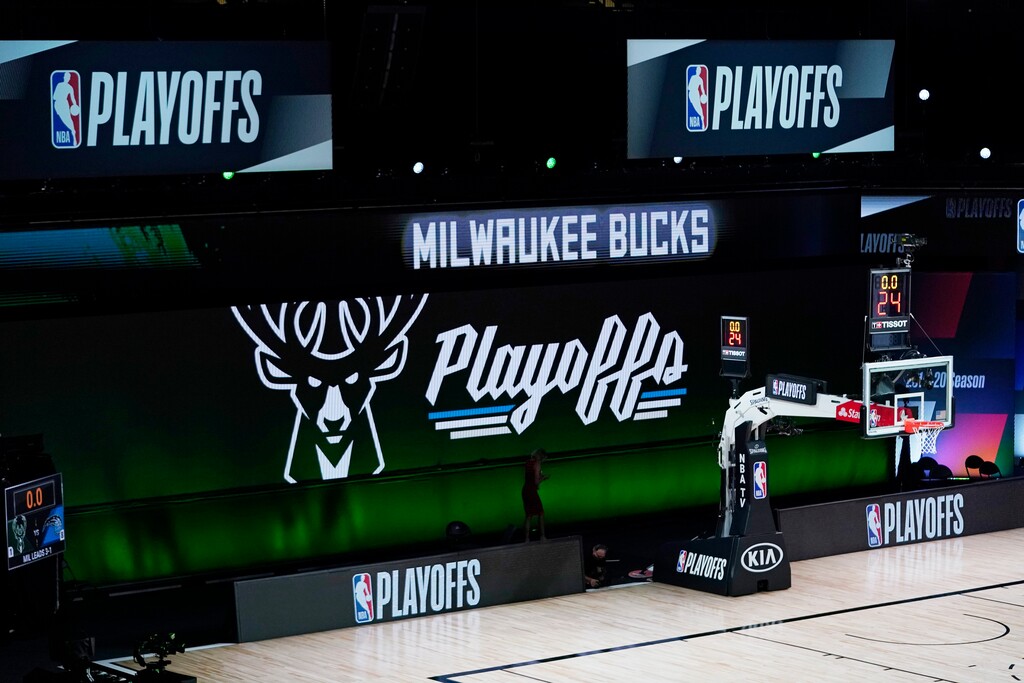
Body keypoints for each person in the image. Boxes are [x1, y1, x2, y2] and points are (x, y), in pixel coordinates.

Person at [521, 448, 549, 541]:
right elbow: (536, 482)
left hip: (525, 490)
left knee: (528, 515)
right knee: (541, 513)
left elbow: (529, 477)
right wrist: (543, 478)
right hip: (532, 491)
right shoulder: (537, 464)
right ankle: (542, 536)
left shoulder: (528, 462)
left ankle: (526, 538)